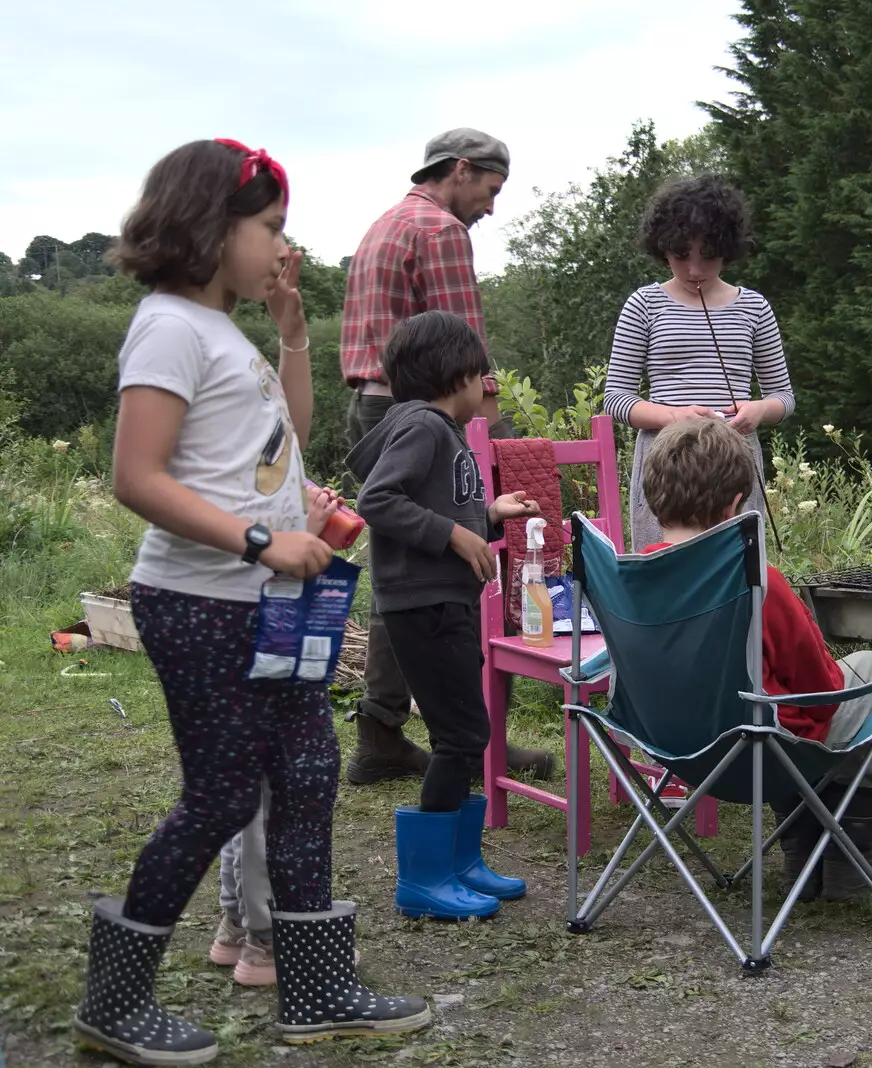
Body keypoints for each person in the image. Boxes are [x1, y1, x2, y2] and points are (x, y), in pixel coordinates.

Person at [74, 139, 429, 1067]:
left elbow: (289, 444)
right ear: (208, 226)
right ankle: (114, 1001)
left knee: (310, 772)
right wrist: (262, 539)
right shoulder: (168, 328)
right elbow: (134, 476)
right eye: (268, 226)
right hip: (200, 599)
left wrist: (294, 334)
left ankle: (313, 991)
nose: (282, 243)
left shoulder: (222, 333)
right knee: (224, 790)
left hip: (271, 598)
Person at [339, 128, 550, 785]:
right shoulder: (441, 232)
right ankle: (480, 732)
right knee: (464, 562)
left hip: (371, 406)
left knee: (401, 574)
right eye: (490, 190)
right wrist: (491, 427)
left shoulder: (385, 224)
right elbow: (467, 346)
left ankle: (382, 730)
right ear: (460, 170)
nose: (490, 207)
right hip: (427, 411)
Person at [640, 417, 872, 902]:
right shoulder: (756, 578)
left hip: (674, 745)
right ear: (736, 504)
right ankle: (847, 854)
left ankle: (801, 849)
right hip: (759, 750)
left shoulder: (634, 576)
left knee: (773, 692)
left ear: (654, 496)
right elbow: (820, 692)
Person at [348, 310, 542, 920]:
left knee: (470, 733)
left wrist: (487, 514)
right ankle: (427, 878)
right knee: (460, 737)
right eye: (480, 372)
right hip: (425, 602)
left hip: (439, 599)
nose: (486, 383)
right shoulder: (426, 427)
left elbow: (436, 503)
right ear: (455, 373)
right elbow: (377, 500)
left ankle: (461, 863)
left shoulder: (434, 428)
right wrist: (455, 537)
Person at [603, 174, 795, 553]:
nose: (694, 270)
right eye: (680, 256)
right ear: (662, 249)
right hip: (666, 466)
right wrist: (673, 418)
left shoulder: (754, 307)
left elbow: (784, 397)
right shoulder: (644, 305)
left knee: (736, 573)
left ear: (728, 248)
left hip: (732, 464)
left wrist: (758, 410)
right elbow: (616, 399)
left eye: (707, 256)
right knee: (661, 571)